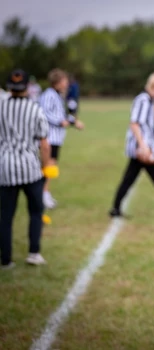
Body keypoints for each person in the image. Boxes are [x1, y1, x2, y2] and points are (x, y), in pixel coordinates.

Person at [0, 69, 53, 268]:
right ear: (27, 88)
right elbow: (44, 144)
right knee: (36, 211)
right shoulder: (35, 108)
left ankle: (5, 259)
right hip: (30, 167)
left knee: (6, 216)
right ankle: (34, 252)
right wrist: (45, 166)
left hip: (4, 166)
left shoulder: (1, 106)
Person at [108, 72, 154, 218]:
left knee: (130, 179)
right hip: (142, 149)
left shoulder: (151, 101)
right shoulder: (143, 100)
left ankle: (115, 208)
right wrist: (143, 146)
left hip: (146, 146)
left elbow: (147, 127)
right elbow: (135, 124)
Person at [39, 69, 84, 209]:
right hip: (49, 137)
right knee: (48, 166)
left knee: (51, 166)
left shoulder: (58, 95)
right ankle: (43, 195)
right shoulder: (49, 95)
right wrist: (60, 122)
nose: (67, 83)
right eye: (64, 80)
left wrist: (73, 122)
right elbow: (44, 113)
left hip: (57, 138)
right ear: (57, 82)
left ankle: (45, 193)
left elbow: (61, 114)